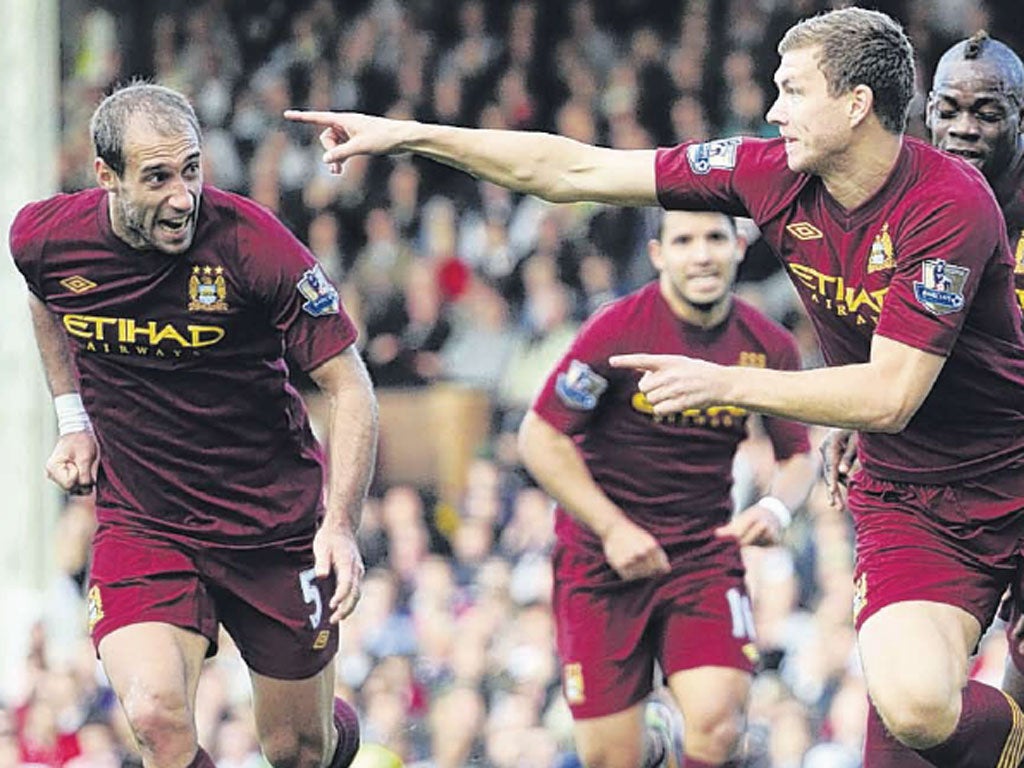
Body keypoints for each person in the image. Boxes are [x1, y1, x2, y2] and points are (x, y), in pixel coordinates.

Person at [285, 7, 1024, 766]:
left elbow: (890, 395)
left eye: (793, 91)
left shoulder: (948, 201)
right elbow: (572, 170)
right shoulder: (766, 172)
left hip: (1012, 470)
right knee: (916, 710)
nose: (774, 111)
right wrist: (411, 135)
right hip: (911, 499)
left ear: (856, 104)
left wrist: (728, 386)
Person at [9, 82, 378, 768]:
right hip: (146, 522)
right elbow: (42, 291)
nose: (183, 196)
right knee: (156, 718)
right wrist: (72, 419)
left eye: (192, 170)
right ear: (106, 176)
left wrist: (341, 526)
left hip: (271, 526)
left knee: (298, 751)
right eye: (157, 178)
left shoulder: (254, 245)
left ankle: (332, 735)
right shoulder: (45, 237)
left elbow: (350, 385)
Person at [518, 210, 816, 768]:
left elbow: (797, 453)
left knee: (718, 727)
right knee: (614, 759)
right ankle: (652, 743)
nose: (700, 254)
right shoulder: (619, 330)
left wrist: (777, 507)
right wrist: (612, 529)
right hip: (600, 560)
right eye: (684, 241)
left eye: (713, 238)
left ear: (740, 245)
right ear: (658, 254)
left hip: (703, 554)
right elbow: (539, 437)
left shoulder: (768, 345)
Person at [820, 28, 1024, 757]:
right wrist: (853, 408)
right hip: (930, 488)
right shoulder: (908, 200)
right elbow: (864, 318)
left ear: (1022, 117)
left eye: (989, 113)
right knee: (905, 717)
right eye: (949, 110)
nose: (964, 129)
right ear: (924, 113)